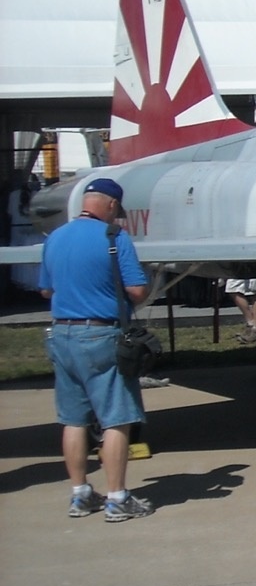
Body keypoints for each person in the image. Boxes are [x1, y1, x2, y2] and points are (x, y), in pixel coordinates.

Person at [38, 177, 154, 521]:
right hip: (101, 335)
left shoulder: (55, 238)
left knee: (73, 420)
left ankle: (80, 494)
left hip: (61, 335)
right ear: (112, 205)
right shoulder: (114, 238)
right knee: (117, 419)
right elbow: (136, 290)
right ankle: (118, 498)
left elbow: (46, 291)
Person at [226, 277, 256, 343]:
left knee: (255, 291)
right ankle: (251, 323)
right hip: (237, 268)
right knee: (232, 289)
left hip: (254, 268)